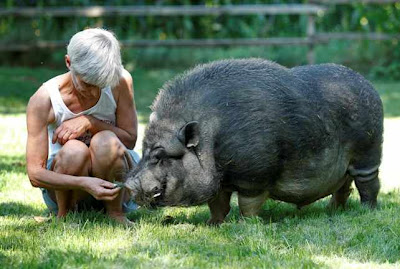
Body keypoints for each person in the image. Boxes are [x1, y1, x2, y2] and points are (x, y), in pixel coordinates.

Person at [26, 28, 139, 225]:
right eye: (87, 84)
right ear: (69, 63)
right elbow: (35, 175)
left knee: (106, 141)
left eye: (101, 85)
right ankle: (65, 215)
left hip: (118, 185)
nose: (94, 93)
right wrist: (84, 183)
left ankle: (116, 213)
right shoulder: (44, 100)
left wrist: (92, 123)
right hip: (67, 188)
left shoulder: (120, 80)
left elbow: (130, 140)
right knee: (74, 150)